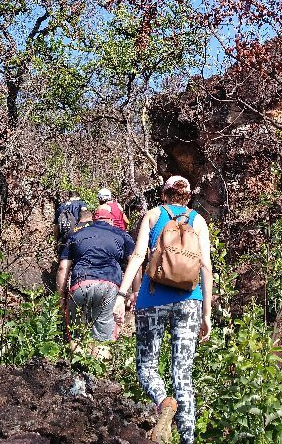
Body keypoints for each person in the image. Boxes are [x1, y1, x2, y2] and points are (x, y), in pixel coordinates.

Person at [113, 175, 213, 444]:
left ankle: (162, 400)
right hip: (189, 301)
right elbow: (206, 268)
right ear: (188, 197)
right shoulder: (198, 221)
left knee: (146, 367)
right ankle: (187, 440)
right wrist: (206, 313)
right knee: (183, 373)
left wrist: (121, 295)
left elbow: (137, 256)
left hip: (152, 299)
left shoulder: (153, 215)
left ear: (163, 194)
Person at [56, 204, 136, 349]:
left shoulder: (75, 235)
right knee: (103, 342)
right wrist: (134, 292)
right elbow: (136, 262)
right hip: (109, 287)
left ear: (94, 218)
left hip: (80, 285)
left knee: (77, 337)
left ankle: (75, 369)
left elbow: (63, 267)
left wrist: (61, 298)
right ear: (111, 220)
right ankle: (98, 369)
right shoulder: (122, 235)